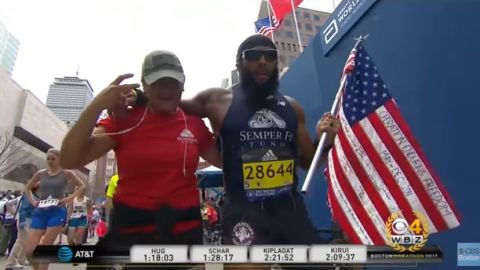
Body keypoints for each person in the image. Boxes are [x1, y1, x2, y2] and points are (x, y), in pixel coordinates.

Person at [131, 35, 340, 269]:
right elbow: (172, 102)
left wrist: (325, 139)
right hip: (244, 215)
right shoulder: (216, 100)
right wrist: (139, 97)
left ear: (276, 64)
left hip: (289, 213)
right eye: (253, 55)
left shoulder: (292, 107)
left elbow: (307, 163)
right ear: (239, 63)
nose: (262, 61)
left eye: (270, 56)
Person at [60, 50, 221, 269]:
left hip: (184, 233)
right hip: (132, 233)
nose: (166, 90)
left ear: (183, 85)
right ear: (144, 85)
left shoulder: (192, 123)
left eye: (172, 83)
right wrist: (96, 105)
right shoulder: (124, 119)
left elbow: (226, 162)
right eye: (158, 83)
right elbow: (69, 159)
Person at [24, 148, 85, 270]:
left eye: (53, 159)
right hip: (40, 211)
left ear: (59, 159)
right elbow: (27, 188)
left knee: (45, 246)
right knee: (30, 251)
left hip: (57, 212)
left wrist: (70, 198)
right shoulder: (40, 173)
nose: (50, 161)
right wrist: (33, 201)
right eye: (48, 158)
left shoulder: (67, 173)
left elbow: (82, 185)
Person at [5, 186, 39, 270]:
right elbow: (23, 210)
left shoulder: (32, 196)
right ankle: (11, 263)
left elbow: (8, 203)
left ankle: (21, 259)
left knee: (25, 242)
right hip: (25, 221)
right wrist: (19, 218)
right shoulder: (28, 196)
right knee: (20, 241)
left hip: (27, 221)